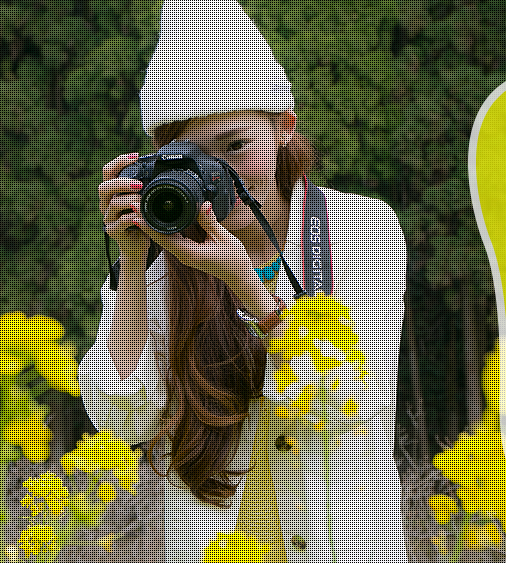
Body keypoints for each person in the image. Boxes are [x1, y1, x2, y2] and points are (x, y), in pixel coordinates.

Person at [77, 1, 409, 560]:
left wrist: (251, 292)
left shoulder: (362, 228)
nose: (219, 174)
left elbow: (352, 402)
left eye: (235, 147)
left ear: (284, 128)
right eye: (190, 157)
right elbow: (119, 415)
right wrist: (133, 264)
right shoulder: (163, 266)